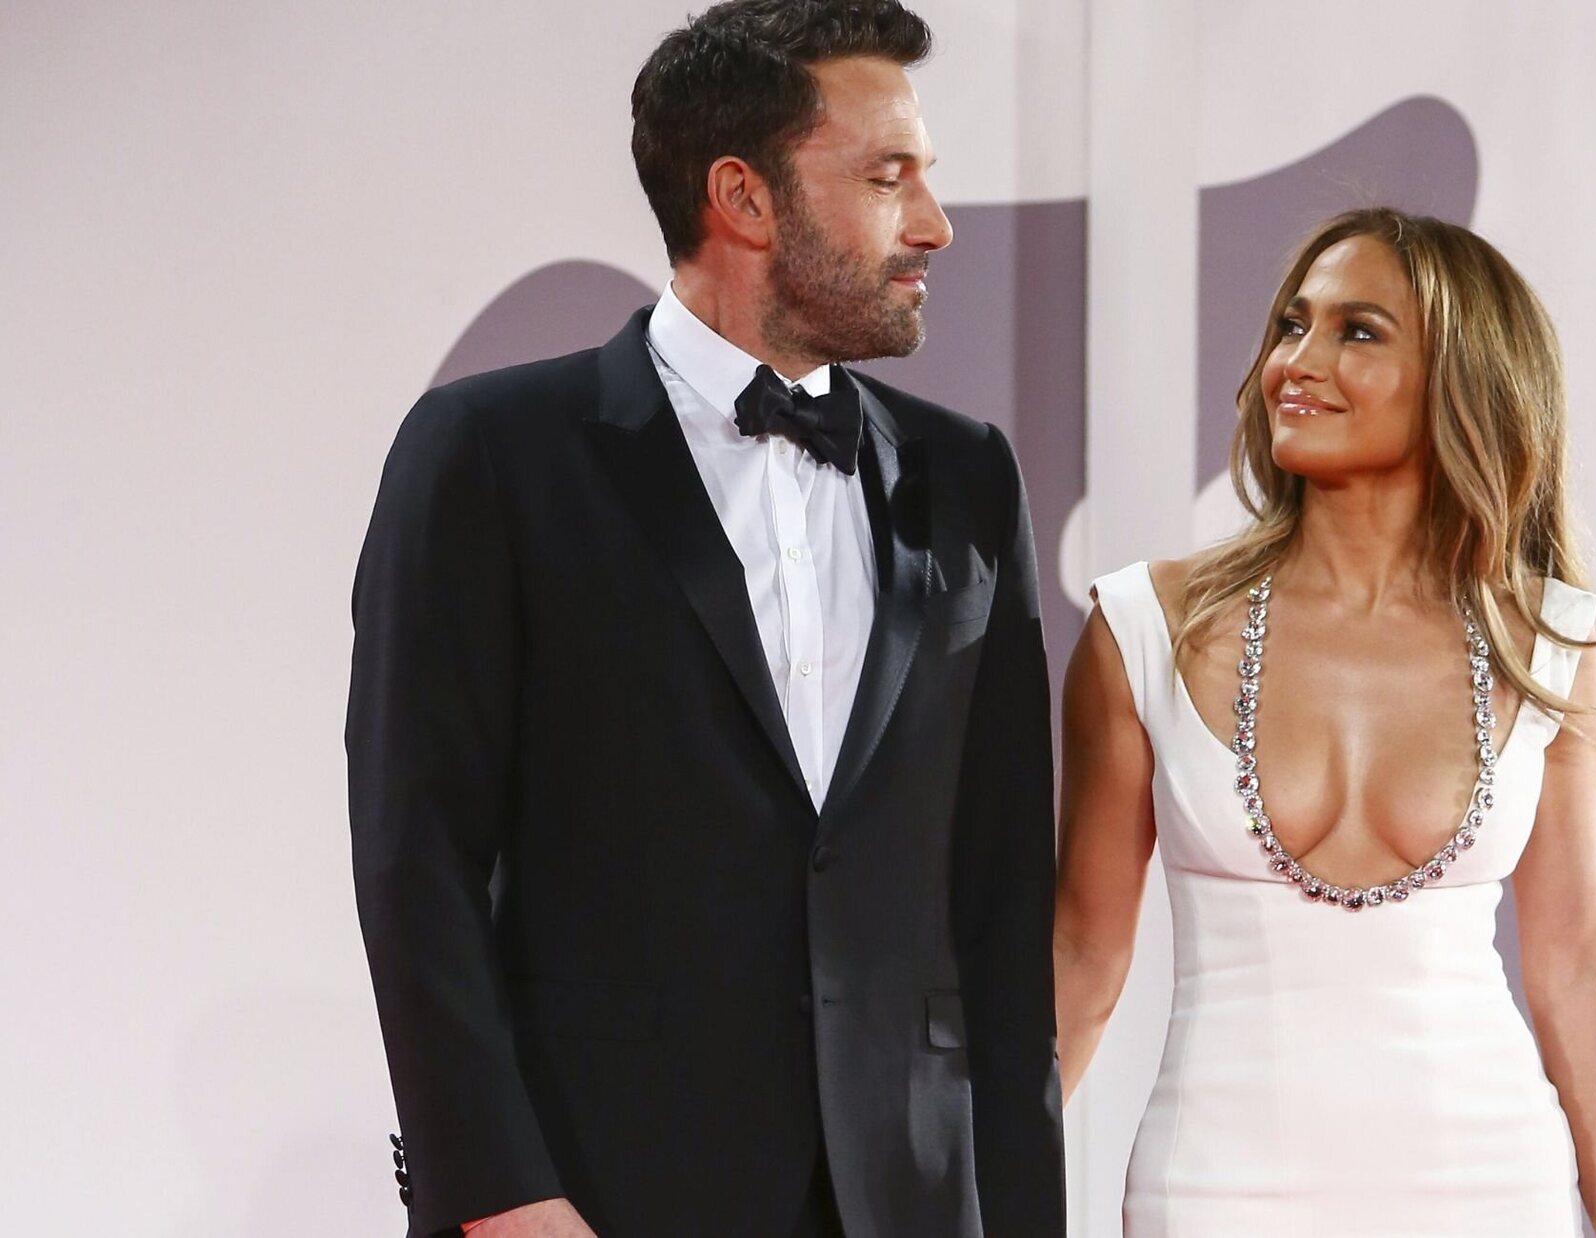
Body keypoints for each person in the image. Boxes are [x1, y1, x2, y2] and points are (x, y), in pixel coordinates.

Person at [347, 3, 1063, 1235]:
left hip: (903, 1198)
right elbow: (416, 856)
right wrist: (501, 1193)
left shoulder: (968, 477)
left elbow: (999, 899)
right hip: (598, 1193)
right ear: (743, 196)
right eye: (886, 177)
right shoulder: (492, 454)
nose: (933, 224)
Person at [1053, 207, 1596, 1236]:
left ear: (1462, 379)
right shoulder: (1146, 628)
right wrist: (969, 1192)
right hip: (1217, 1189)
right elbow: (1082, 954)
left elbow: (1575, 964)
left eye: (1356, 331)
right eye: (1292, 325)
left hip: (1488, 1180)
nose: (1297, 362)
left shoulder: (1546, 643)